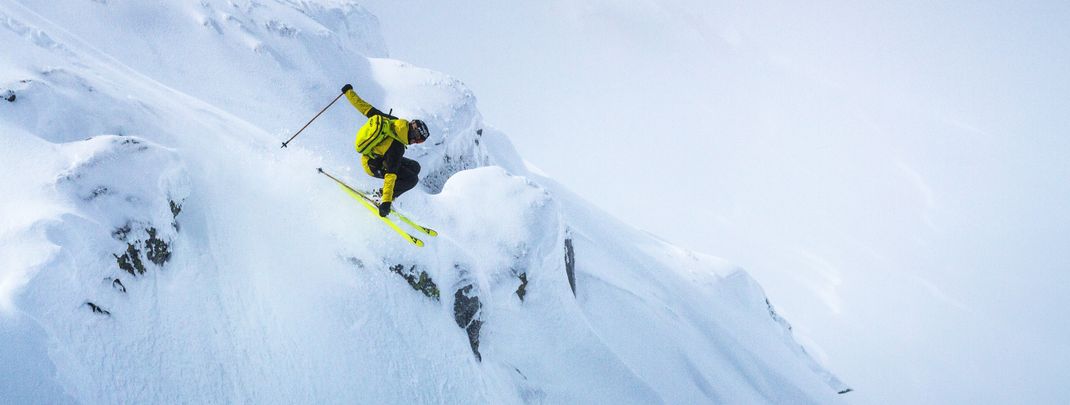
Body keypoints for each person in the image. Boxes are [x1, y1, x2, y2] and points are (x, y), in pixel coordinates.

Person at [341, 83, 430, 217]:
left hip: (376, 156)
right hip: (372, 165)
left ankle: (384, 195)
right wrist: (386, 202)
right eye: (418, 140)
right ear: (414, 136)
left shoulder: (393, 121)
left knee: (415, 167)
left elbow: (366, 109)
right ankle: (380, 196)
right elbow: (390, 175)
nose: (415, 143)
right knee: (412, 180)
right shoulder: (397, 147)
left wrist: (349, 93)